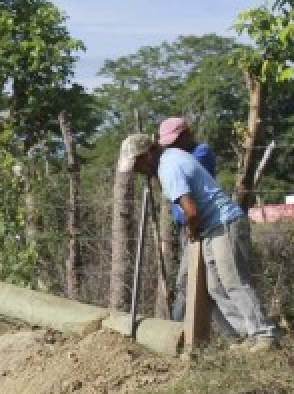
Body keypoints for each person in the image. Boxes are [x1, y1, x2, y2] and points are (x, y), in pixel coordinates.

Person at [118, 132, 279, 352]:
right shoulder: (171, 156)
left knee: (233, 281)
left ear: (147, 155)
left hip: (224, 223)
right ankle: (247, 335)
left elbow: (191, 212)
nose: (138, 171)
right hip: (213, 226)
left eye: (137, 165)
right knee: (215, 286)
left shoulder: (168, 168)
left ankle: (264, 334)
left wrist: (192, 233)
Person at [156, 117, 233, 330]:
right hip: (187, 226)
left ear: (187, 134)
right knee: (202, 283)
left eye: (178, 139)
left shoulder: (201, 152)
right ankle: (232, 333)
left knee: (189, 281)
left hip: (199, 224)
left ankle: (173, 330)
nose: (173, 145)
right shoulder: (170, 160)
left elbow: (184, 176)